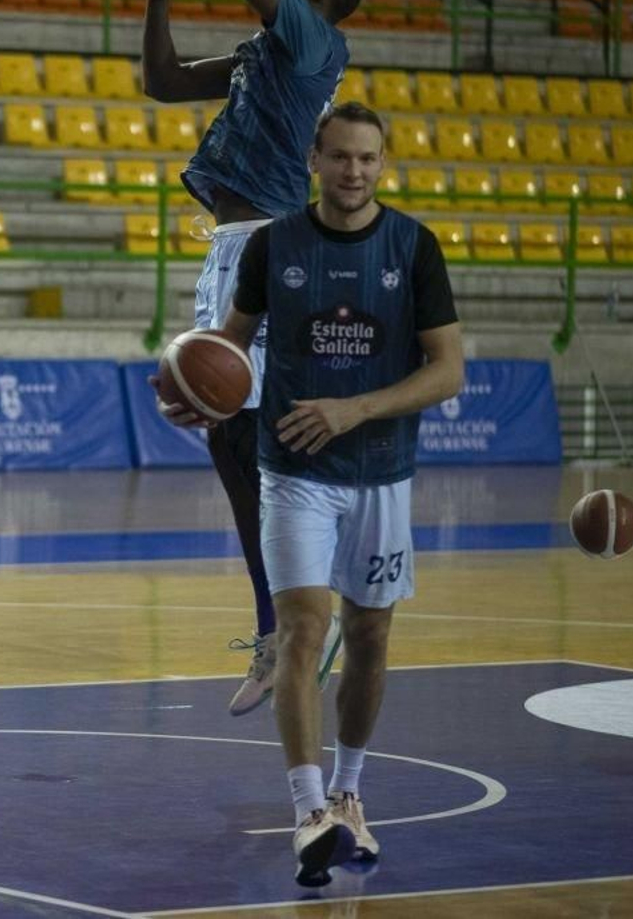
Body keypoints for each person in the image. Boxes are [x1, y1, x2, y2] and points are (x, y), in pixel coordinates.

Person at [134, 0, 365, 716]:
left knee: (250, 440)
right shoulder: (267, 53)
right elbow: (160, 81)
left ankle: (294, 621)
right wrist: (157, 0)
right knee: (240, 441)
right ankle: (293, 617)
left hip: (264, 246)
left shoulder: (309, 40)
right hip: (236, 245)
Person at [216, 102, 462, 885]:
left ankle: (351, 792)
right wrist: (193, 381)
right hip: (291, 471)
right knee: (300, 630)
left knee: (372, 635)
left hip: (382, 471)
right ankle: (307, 809)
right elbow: (228, 341)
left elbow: (447, 369)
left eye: (368, 158)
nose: (354, 170)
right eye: (341, 157)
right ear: (315, 160)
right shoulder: (272, 244)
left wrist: (356, 407)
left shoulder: (414, 247)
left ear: (382, 163)